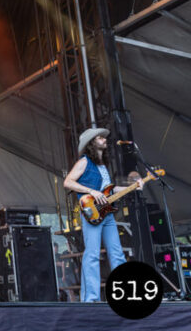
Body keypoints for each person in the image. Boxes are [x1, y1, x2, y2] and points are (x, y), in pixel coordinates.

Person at [63, 127, 143, 302]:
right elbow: (68, 182)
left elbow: (110, 190)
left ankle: (123, 295)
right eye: (100, 138)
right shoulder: (84, 162)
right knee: (91, 254)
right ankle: (90, 299)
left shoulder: (102, 166)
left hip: (107, 215)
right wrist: (92, 191)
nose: (105, 140)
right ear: (92, 143)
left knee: (117, 254)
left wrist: (134, 187)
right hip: (92, 213)